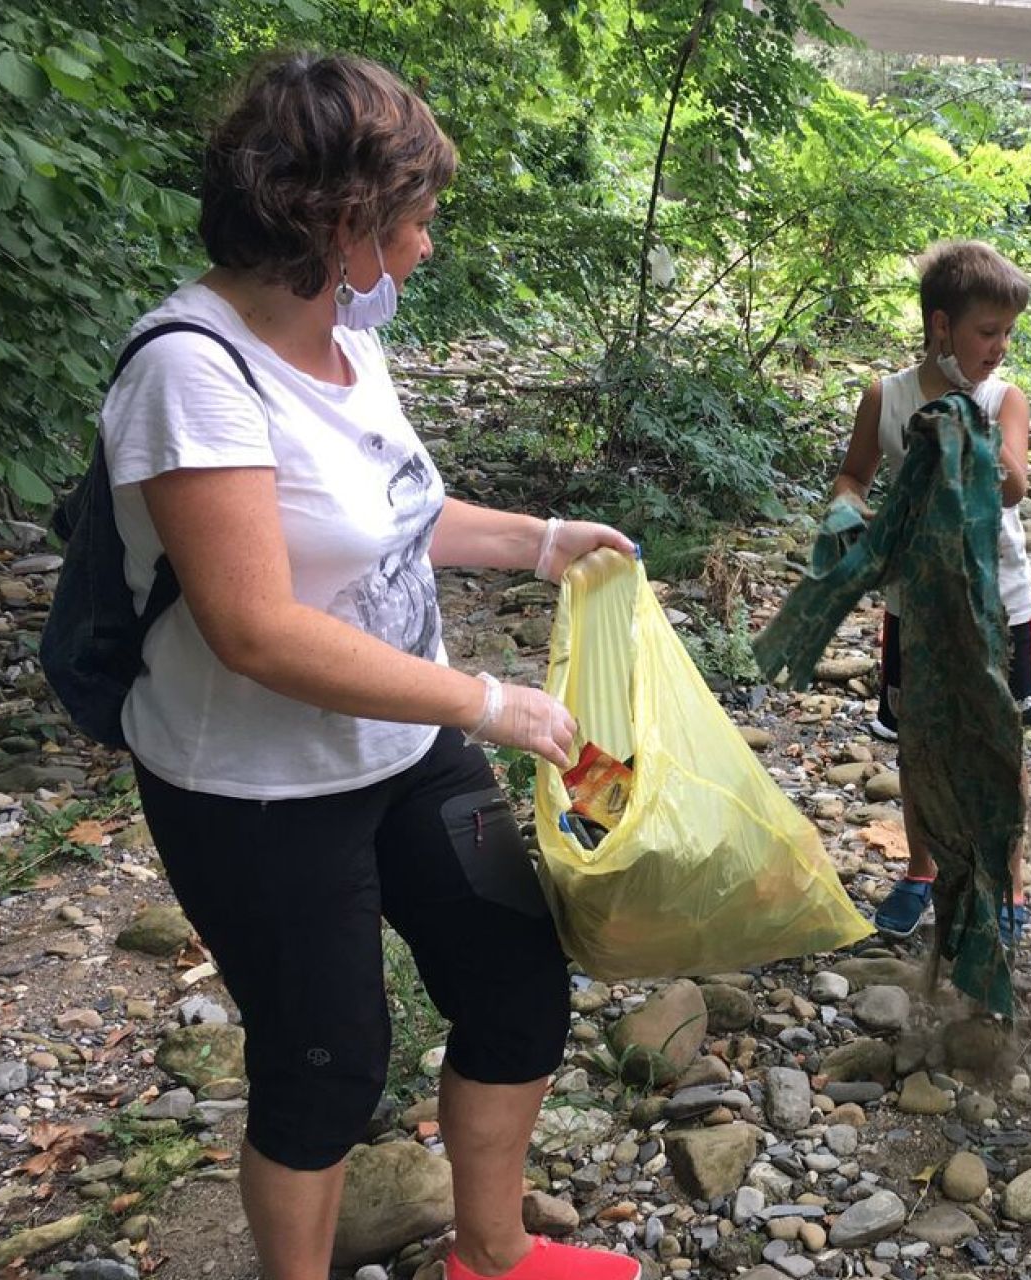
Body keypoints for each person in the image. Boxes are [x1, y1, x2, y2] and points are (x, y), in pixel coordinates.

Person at [99, 54, 640, 1280]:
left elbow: (397, 513)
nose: (425, 249)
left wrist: (542, 543)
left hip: (405, 747)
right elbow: (256, 627)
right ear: (340, 219)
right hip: (255, 789)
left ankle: (490, 1254)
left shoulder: (345, 341)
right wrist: (492, 701)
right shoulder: (191, 371)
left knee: (514, 983)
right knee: (326, 1056)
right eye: (414, 220)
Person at [828, 240, 1031, 942]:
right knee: (920, 741)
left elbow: (1013, 483)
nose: (1001, 347)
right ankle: (922, 870)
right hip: (914, 606)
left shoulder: (1000, 398)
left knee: (1000, 744)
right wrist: (845, 511)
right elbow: (854, 475)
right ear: (941, 326)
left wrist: (965, 416)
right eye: (988, 332)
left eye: (1009, 332)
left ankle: (1006, 880)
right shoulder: (884, 397)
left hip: (998, 605)